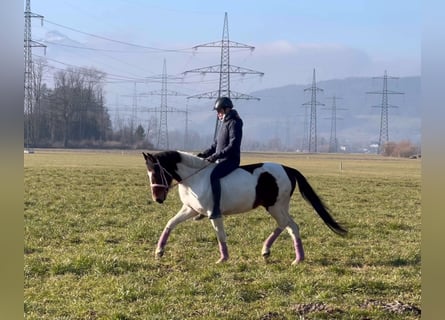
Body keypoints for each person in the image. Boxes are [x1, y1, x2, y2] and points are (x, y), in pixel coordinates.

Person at [197, 97, 243, 219]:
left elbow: (232, 145)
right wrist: (203, 154)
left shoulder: (234, 123)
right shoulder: (224, 124)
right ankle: (205, 207)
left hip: (230, 160)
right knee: (205, 175)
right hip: (220, 160)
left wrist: (215, 156)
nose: (218, 115)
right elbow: (215, 145)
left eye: (219, 111)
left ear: (226, 109)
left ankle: (216, 208)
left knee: (213, 176)